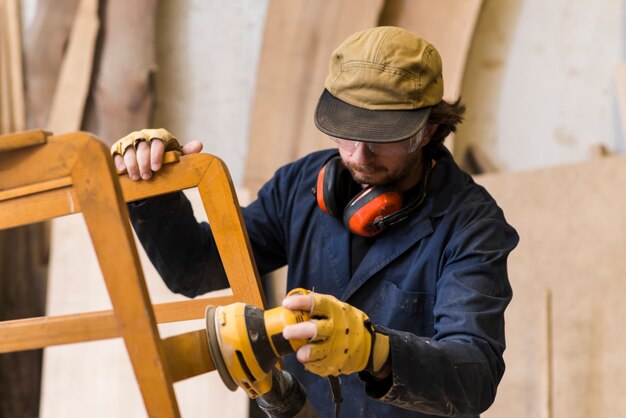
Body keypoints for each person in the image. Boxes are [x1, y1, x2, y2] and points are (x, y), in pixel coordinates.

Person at [111, 26, 519, 418]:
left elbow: (475, 376)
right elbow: (193, 269)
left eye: (380, 137)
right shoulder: (300, 188)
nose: (359, 156)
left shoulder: (472, 225)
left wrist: (374, 351)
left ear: (428, 130)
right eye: (347, 133)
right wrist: (152, 186)